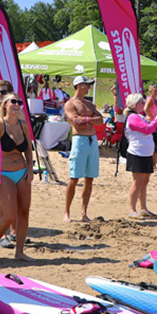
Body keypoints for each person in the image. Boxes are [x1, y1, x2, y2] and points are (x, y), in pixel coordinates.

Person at [0, 88, 35, 261]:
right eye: (13, 102)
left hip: (22, 172)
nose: (17, 105)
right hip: (4, 173)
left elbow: (28, 149)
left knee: (24, 212)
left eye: (19, 102)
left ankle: (19, 252)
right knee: (9, 215)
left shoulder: (23, 126)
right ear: (5, 105)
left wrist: (30, 169)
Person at [63, 75, 104, 223]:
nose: (89, 87)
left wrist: (87, 119)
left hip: (91, 140)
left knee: (89, 178)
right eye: (86, 85)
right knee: (74, 178)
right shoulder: (70, 104)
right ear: (79, 85)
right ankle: (67, 212)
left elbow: (101, 120)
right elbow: (76, 123)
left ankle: (83, 212)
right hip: (79, 140)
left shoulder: (89, 104)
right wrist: (89, 121)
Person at [123, 91, 157, 218]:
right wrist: (156, 121)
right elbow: (146, 129)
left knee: (144, 182)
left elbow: (148, 128)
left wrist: (153, 122)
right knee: (137, 182)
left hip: (145, 153)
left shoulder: (138, 116)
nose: (144, 104)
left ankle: (143, 208)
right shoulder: (132, 117)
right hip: (137, 153)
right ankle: (132, 209)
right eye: (141, 102)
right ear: (135, 104)